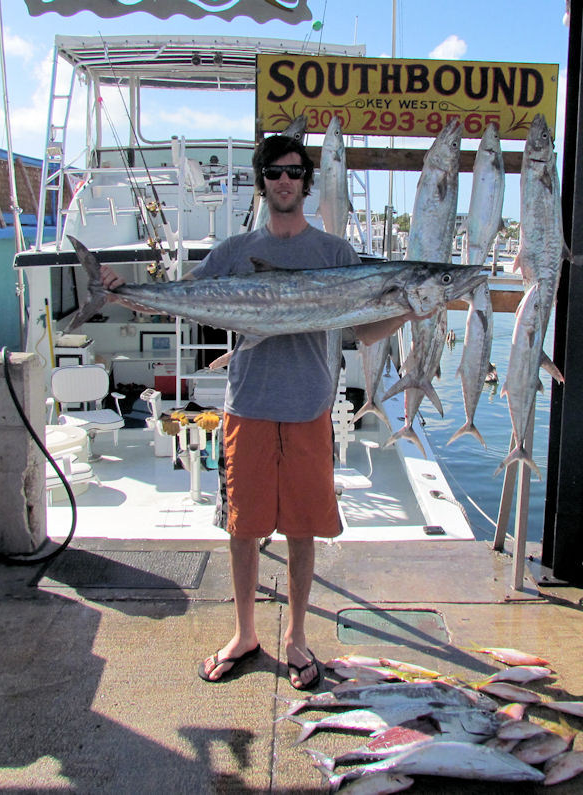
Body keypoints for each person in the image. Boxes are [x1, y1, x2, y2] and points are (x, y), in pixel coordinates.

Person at [100, 134, 402, 689]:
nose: (284, 181)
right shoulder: (232, 252)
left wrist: (407, 308)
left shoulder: (336, 255)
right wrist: (123, 292)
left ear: (306, 182)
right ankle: (245, 634)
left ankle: (297, 639)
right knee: (244, 528)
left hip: (309, 407)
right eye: (274, 172)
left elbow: (362, 328)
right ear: (263, 181)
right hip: (249, 406)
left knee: (302, 531)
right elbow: (184, 297)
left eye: (293, 172)